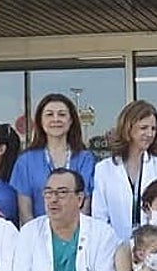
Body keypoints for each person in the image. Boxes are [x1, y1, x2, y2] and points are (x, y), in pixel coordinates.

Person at [92, 100, 157, 243]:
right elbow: (99, 217)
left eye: (153, 129)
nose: (149, 134)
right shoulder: (104, 169)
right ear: (128, 128)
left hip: (156, 248)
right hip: (116, 248)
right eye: (143, 128)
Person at [9, 93, 97, 225]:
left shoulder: (85, 158)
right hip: (38, 237)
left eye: (62, 114)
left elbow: (85, 205)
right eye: (49, 114)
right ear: (40, 121)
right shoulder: (26, 161)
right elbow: (25, 212)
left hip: (77, 236)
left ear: (71, 120)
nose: (56, 119)